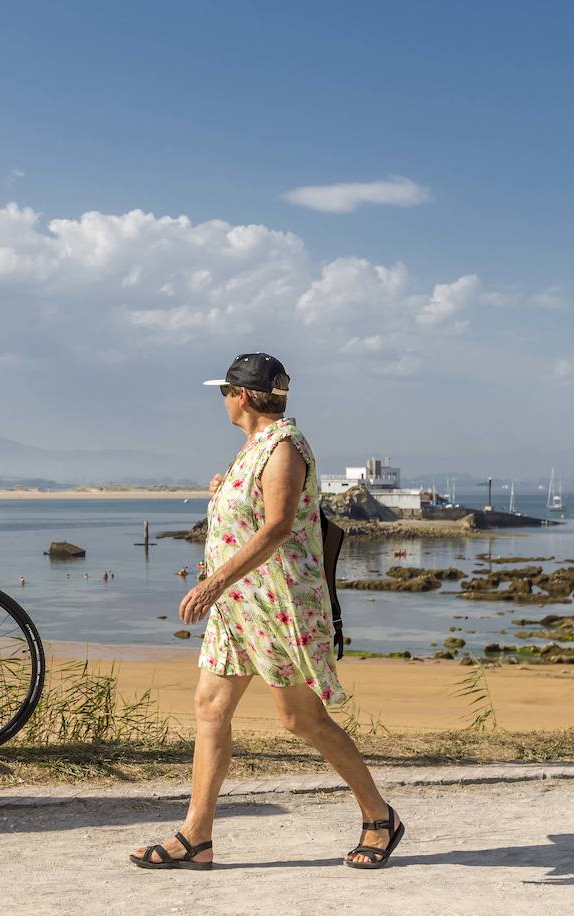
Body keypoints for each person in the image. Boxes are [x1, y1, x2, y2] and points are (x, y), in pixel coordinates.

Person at [131, 353, 403, 871]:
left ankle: (379, 816)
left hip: (278, 607)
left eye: (225, 392)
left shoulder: (284, 449)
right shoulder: (251, 449)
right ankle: (196, 836)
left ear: (242, 396)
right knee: (210, 709)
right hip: (238, 607)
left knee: (301, 719)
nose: (223, 401)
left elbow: (277, 527)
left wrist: (211, 582)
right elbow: (253, 514)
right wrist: (223, 496)